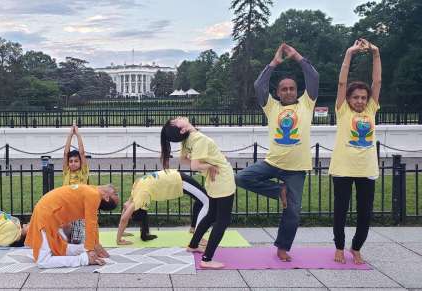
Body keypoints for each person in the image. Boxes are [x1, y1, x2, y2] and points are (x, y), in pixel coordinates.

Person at [234, 43, 319, 262]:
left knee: (293, 211)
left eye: (292, 88)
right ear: (278, 92)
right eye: (284, 89)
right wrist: (274, 63)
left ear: (297, 91)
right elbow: (259, 84)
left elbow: (313, 76)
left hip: (296, 169)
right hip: (272, 163)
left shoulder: (307, 104)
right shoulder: (271, 106)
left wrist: (297, 56)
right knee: (242, 177)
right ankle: (277, 190)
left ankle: (282, 247)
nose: (288, 92)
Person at [329, 39, 381, 265]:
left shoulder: (371, 109)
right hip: (342, 169)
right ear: (348, 99)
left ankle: (356, 247)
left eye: (363, 97)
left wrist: (376, 54)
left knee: (365, 213)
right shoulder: (342, 111)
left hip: (366, 169)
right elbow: (342, 83)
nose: (360, 101)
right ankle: (339, 247)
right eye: (356, 97)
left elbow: (377, 81)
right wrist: (349, 53)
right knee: (340, 211)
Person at [160, 117, 236, 269]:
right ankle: (207, 259)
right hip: (222, 180)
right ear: (182, 129)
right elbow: (194, 165)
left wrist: (210, 164)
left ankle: (193, 245)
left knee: (212, 215)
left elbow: (183, 159)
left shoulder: (187, 139)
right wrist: (211, 165)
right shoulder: (198, 138)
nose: (179, 117)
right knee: (222, 221)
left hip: (214, 180)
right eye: (176, 121)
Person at [25, 184, 119, 268]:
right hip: (47, 214)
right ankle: (85, 257)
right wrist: (94, 246)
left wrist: (92, 248)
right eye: (116, 194)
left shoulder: (93, 194)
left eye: (115, 194)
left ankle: (85, 258)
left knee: (43, 261)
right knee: (50, 255)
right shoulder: (93, 192)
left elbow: (91, 223)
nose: (116, 191)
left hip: (47, 215)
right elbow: (92, 223)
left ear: (107, 197)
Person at [116, 169, 208, 245]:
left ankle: (195, 232)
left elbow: (124, 217)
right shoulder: (136, 188)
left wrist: (119, 239)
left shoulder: (139, 197)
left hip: (178, 180)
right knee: (204, 199)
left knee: (205, 200)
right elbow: (125, 213)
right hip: (176, 178)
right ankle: (196, 233)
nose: (126, 210)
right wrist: (121, 233)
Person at [63, 122, 90, 244]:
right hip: (67, 202)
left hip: (79, 204)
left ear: (80, 163)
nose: (73, 163)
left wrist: (77, 134)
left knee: (77, 239)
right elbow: (65, 153)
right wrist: (70, 134)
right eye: (71, 161)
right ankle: (68, 239)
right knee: (66, 225)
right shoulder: (67, 171)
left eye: (76, 161)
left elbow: (82, 153)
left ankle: (76, 241)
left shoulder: (83, 172)